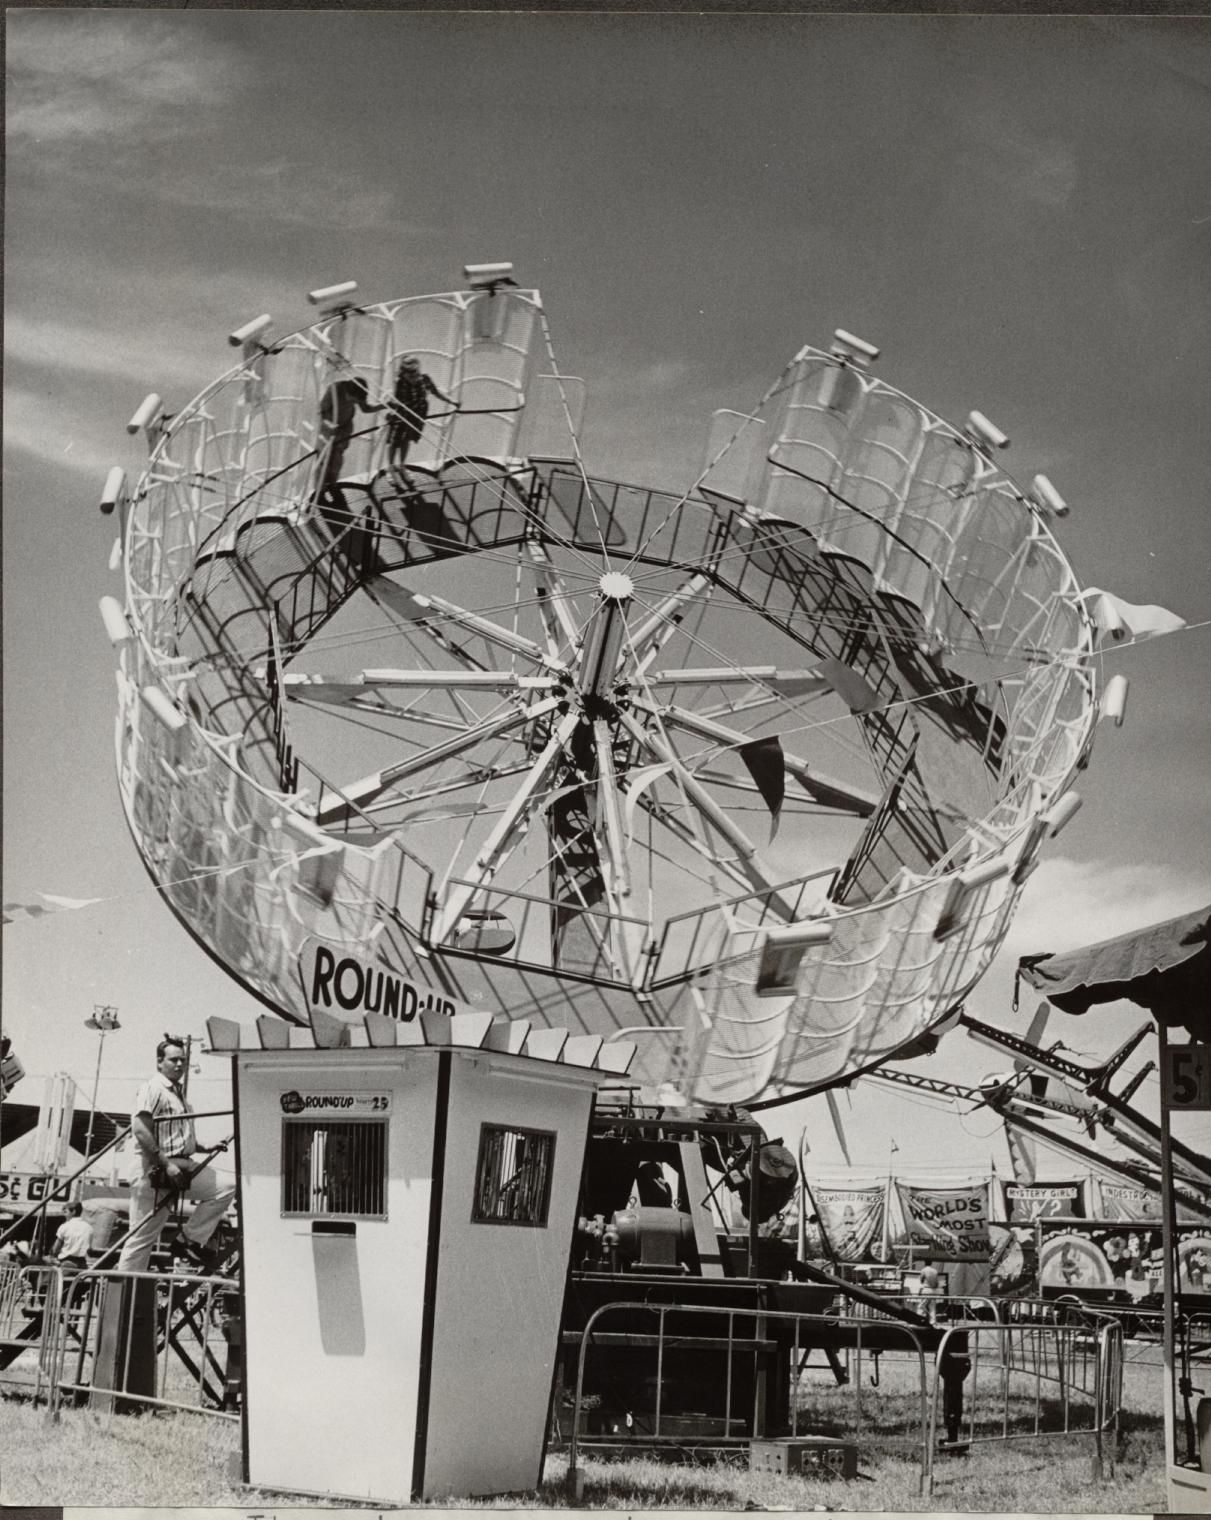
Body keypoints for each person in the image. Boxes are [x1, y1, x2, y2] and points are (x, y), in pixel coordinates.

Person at [116, 1037, 236, 1274]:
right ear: (159, 1062)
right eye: (174, 1060)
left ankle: (188, 1240)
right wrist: (166, 1164)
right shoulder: (152, 1088)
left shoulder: (178, 1094)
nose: (180, 1064)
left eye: (183, 1060)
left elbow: (178, 1138)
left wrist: (207, 1146)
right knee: (142, 1237)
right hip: (153, 1168)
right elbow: (140, 1129)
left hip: (181, 1164)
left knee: (226, 1185)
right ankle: (122, 1290)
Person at [386, 356, 456, 476]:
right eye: (408, 372)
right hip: (402, 415)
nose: (412, 375)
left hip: (417, 414)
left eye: (414, 371)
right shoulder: (400, 382)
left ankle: (402, 466)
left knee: (406, 439)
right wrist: (391, 409)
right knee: (395, 441)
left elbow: (435, 392)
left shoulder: (424, 379)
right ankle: (391, 468)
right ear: (403, 371)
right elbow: (394, 399)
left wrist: (451, 401)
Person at [51, 1202, 93, 1274]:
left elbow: (55, 1248)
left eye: (65, 1212)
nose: (64, 1214)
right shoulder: (89, 1228)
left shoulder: (64, 1226)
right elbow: (89, 1248)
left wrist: (52, 1256)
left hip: (67, 1264)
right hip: (82, 1265)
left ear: (73, 1212)